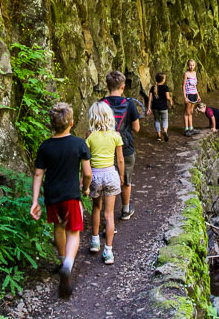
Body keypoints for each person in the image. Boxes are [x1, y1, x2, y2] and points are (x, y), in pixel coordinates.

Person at [30, 103, 92, 298]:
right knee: (73, 232)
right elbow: (88, 173)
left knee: (58, 226)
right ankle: (67, 265)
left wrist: (35, 201)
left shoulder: (45, 146)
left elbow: (38, 174)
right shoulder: (79, 144)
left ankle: (62, 258)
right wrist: (86, 187)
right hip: (71, 195)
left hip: (52, 196)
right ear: (72, 123)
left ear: (51, 125)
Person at [85, 101, 125, 265]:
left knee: (96, 208)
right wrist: (121, 176)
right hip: (110, 174)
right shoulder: (115, 136)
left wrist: (84, 181)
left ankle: (95, 242)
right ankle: (108, 251)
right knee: (109, 214)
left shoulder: (90, 137)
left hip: (94, 175)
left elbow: (85, 160)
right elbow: (120, 160)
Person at [101, 71, 140, 220]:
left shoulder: (101, 104)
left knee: (107, 179)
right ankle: (125, 209)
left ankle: (107, 215)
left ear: (107, 86)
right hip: (126, 145)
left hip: (106, 146)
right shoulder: (129, 104)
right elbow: (136, 128)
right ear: (123, 87)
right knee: (126, 177)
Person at [147, 72, 173, 142]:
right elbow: (167, 97)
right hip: (163, 107)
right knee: (165, 120)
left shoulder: (153, 88)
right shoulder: (165, 87)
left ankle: (158, 136)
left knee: (157, 120)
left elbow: (150, 99)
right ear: (163, 80)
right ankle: (164, 131)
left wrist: (149, 108)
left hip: (155, 107)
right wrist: (171, 100)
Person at [183, 59, 201, 137]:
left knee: (191, 112)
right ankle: (186, 129)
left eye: (193, 65)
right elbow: (183, 86)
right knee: (187, 112)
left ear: (195, 65)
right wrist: (184, 97)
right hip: (188, 94)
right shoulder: (186, 74)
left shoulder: (195, 73)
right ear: (188, 65)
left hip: (194, 94)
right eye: (190, 65)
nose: (191, 67)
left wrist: (198, 95)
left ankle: (191, 128)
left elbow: (195, 86)